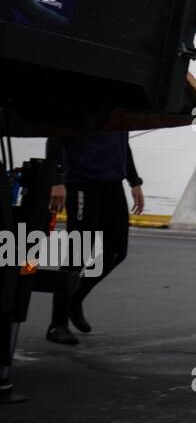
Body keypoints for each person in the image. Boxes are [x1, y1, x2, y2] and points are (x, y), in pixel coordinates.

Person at [43, 133, 144, 345]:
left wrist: (134, 181)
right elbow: (55, 138)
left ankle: (75, 299)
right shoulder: (80, 104)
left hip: (112, 184)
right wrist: (57, 180)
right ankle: (57, 324)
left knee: (117, 251)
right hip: (81, 183)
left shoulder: (119, 110)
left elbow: (123, 144)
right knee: (78, 252)